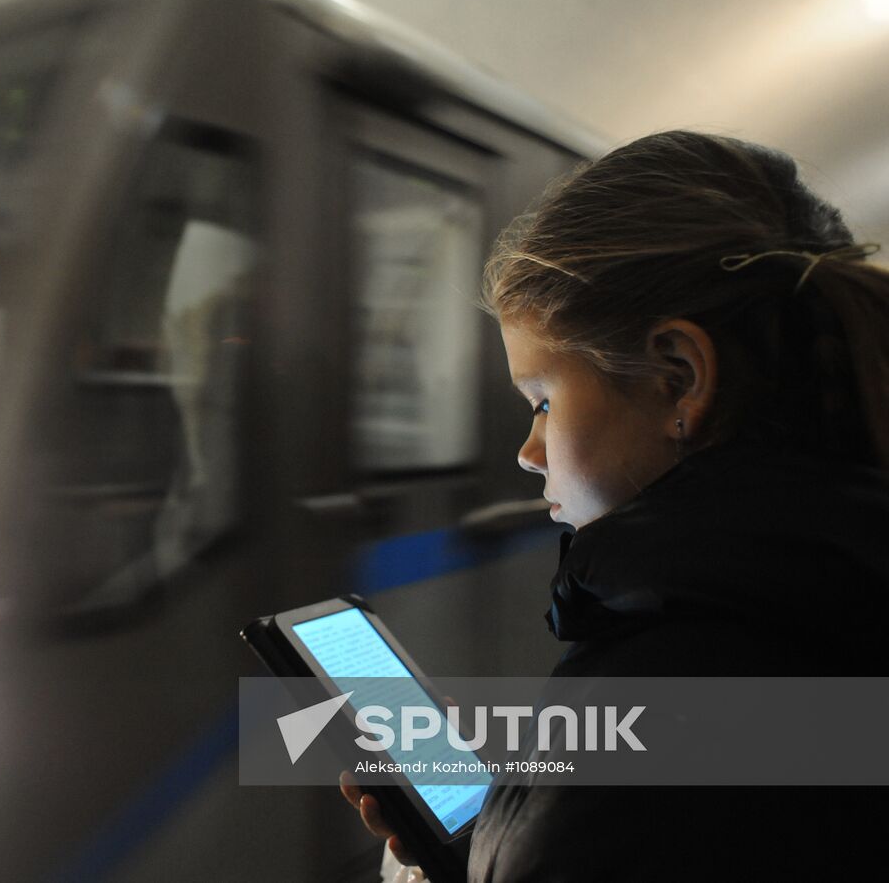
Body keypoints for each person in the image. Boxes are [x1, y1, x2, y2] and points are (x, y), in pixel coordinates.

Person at [341, 130, 889, 881]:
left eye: (542, 401)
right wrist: (516, 815)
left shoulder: (677, 699)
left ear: (677, 375)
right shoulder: (824, 597)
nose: (528, 453)